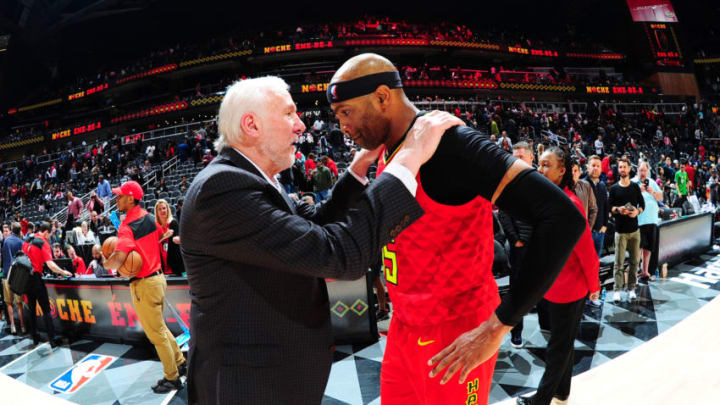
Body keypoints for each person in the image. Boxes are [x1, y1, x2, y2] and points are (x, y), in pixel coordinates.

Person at [328, 54, 585, 405]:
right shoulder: (392, 152)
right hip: (406, 325)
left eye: (346, 112)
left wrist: (499, 325)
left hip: (455, 328)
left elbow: (562, 216)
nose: (342, 125)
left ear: (382, 97)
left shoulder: (452, 144)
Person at [180, 76, 452, 405]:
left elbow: (314, 223)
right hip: (250, 388)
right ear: (251, 125)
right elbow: (339, 254)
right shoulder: (222, 189)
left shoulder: (251, 179)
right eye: (289, 114)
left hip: (271, 379)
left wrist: (357, 169)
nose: (300, 126)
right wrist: (409, 158)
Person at [516, 147, 599, 405]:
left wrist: (594, 285)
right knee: (564, 341)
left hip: (570, 288)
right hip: (555, 285)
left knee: (558, 346)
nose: (540, 170)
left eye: (546, 165)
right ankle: (562, 392)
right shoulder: (550, 200)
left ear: (562, 171)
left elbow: (586, 252)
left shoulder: (570, 204)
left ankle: (541, 400)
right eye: (539, 165)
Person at [103, 181, 187, 393]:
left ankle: (172, 377)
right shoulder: (150, 218)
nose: (117, 199)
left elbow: (119, 258)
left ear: (131, 198)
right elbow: (160, 235)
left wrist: (107, 261)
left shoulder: (126, 227)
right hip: (159, 279)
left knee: (156, 333)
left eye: (120, 196)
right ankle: (180, 362)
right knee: (161, 327)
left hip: (144, 284)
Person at [497, 141, 535, 348]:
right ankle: (516, 333)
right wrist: (516, 240)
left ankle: (547, 324)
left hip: (539, 246)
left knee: (546, 285)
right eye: (514, 156)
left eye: (520, 157)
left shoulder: (541, 181)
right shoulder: (508, 183)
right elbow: (503, 214)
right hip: (520, 247)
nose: (516, 160)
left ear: (531, 158)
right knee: (517, 292)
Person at [24, 222, 73, 347]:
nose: (51, 236)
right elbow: (50, 265)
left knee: (31, 309)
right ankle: (52, 339)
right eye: (50, 234)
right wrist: (63, 272)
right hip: (36, 278)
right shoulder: (43, 243)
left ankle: (34, 336)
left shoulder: (28, 239)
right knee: (46, 309)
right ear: (46, 232)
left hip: (26, 279)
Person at [608, 158, 645, 302]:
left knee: (635, 262)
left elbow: (642, 204)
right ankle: (617, 289)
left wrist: (638, 212)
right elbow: (610, 207)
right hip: (620, 231)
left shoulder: (635, 187)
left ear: (629, 169)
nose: (622, 169)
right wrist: (618, 209)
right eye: (620, 167)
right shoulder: (614, 188)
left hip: (635, 231)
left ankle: (631, 288)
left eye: (625, 167)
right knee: (618, 262)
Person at [632, 161, 663, 281]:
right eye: (641, 170)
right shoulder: (633, 183)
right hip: (639, 221)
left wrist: (653, 192)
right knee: (637, 249)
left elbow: (661, 197)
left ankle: (645, 272)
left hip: (652, 220)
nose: (643, 173)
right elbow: (628, 199)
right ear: (637, 170)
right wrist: (638, 191)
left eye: (645, 170)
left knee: (648, 248)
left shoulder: (652, 182)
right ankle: (634, 274)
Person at [1, 222, 25, 335]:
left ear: (11, 229)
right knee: (19, 303)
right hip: (18, 276)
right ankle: (23, 326)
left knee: (9, 302)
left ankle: (13, 326)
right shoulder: (21, 242)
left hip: (7, 275)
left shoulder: (6, 241)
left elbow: (6, 259)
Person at [584, 156, 609, 255]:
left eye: (598, 166)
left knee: (596, 264)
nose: (595, 168)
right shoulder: (582, 184)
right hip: (586, 233)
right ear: (588, 167)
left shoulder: (602, 185)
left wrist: (605, 226)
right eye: (593, 165)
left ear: (601, 169)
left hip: (600, 232)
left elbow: (605, 207)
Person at [154, 199, 184, 276]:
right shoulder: (155, 226)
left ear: (168, 209)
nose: (162, 210)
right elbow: (152, 244)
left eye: (164, 208)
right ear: (156, 212)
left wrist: (178, 239)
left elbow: (176, 240)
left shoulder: (173, 223)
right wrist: (164, 236)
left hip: (174, 266)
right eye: (159, 209)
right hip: (160, 266)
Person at [572, 160, 598, 229]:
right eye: (570, 171)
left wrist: (588, 228)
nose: (572, 173)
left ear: (579, 173)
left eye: (575, 171)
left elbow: (593, 208)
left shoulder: (586, 185)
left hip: (583, 231)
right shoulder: (562, 188)